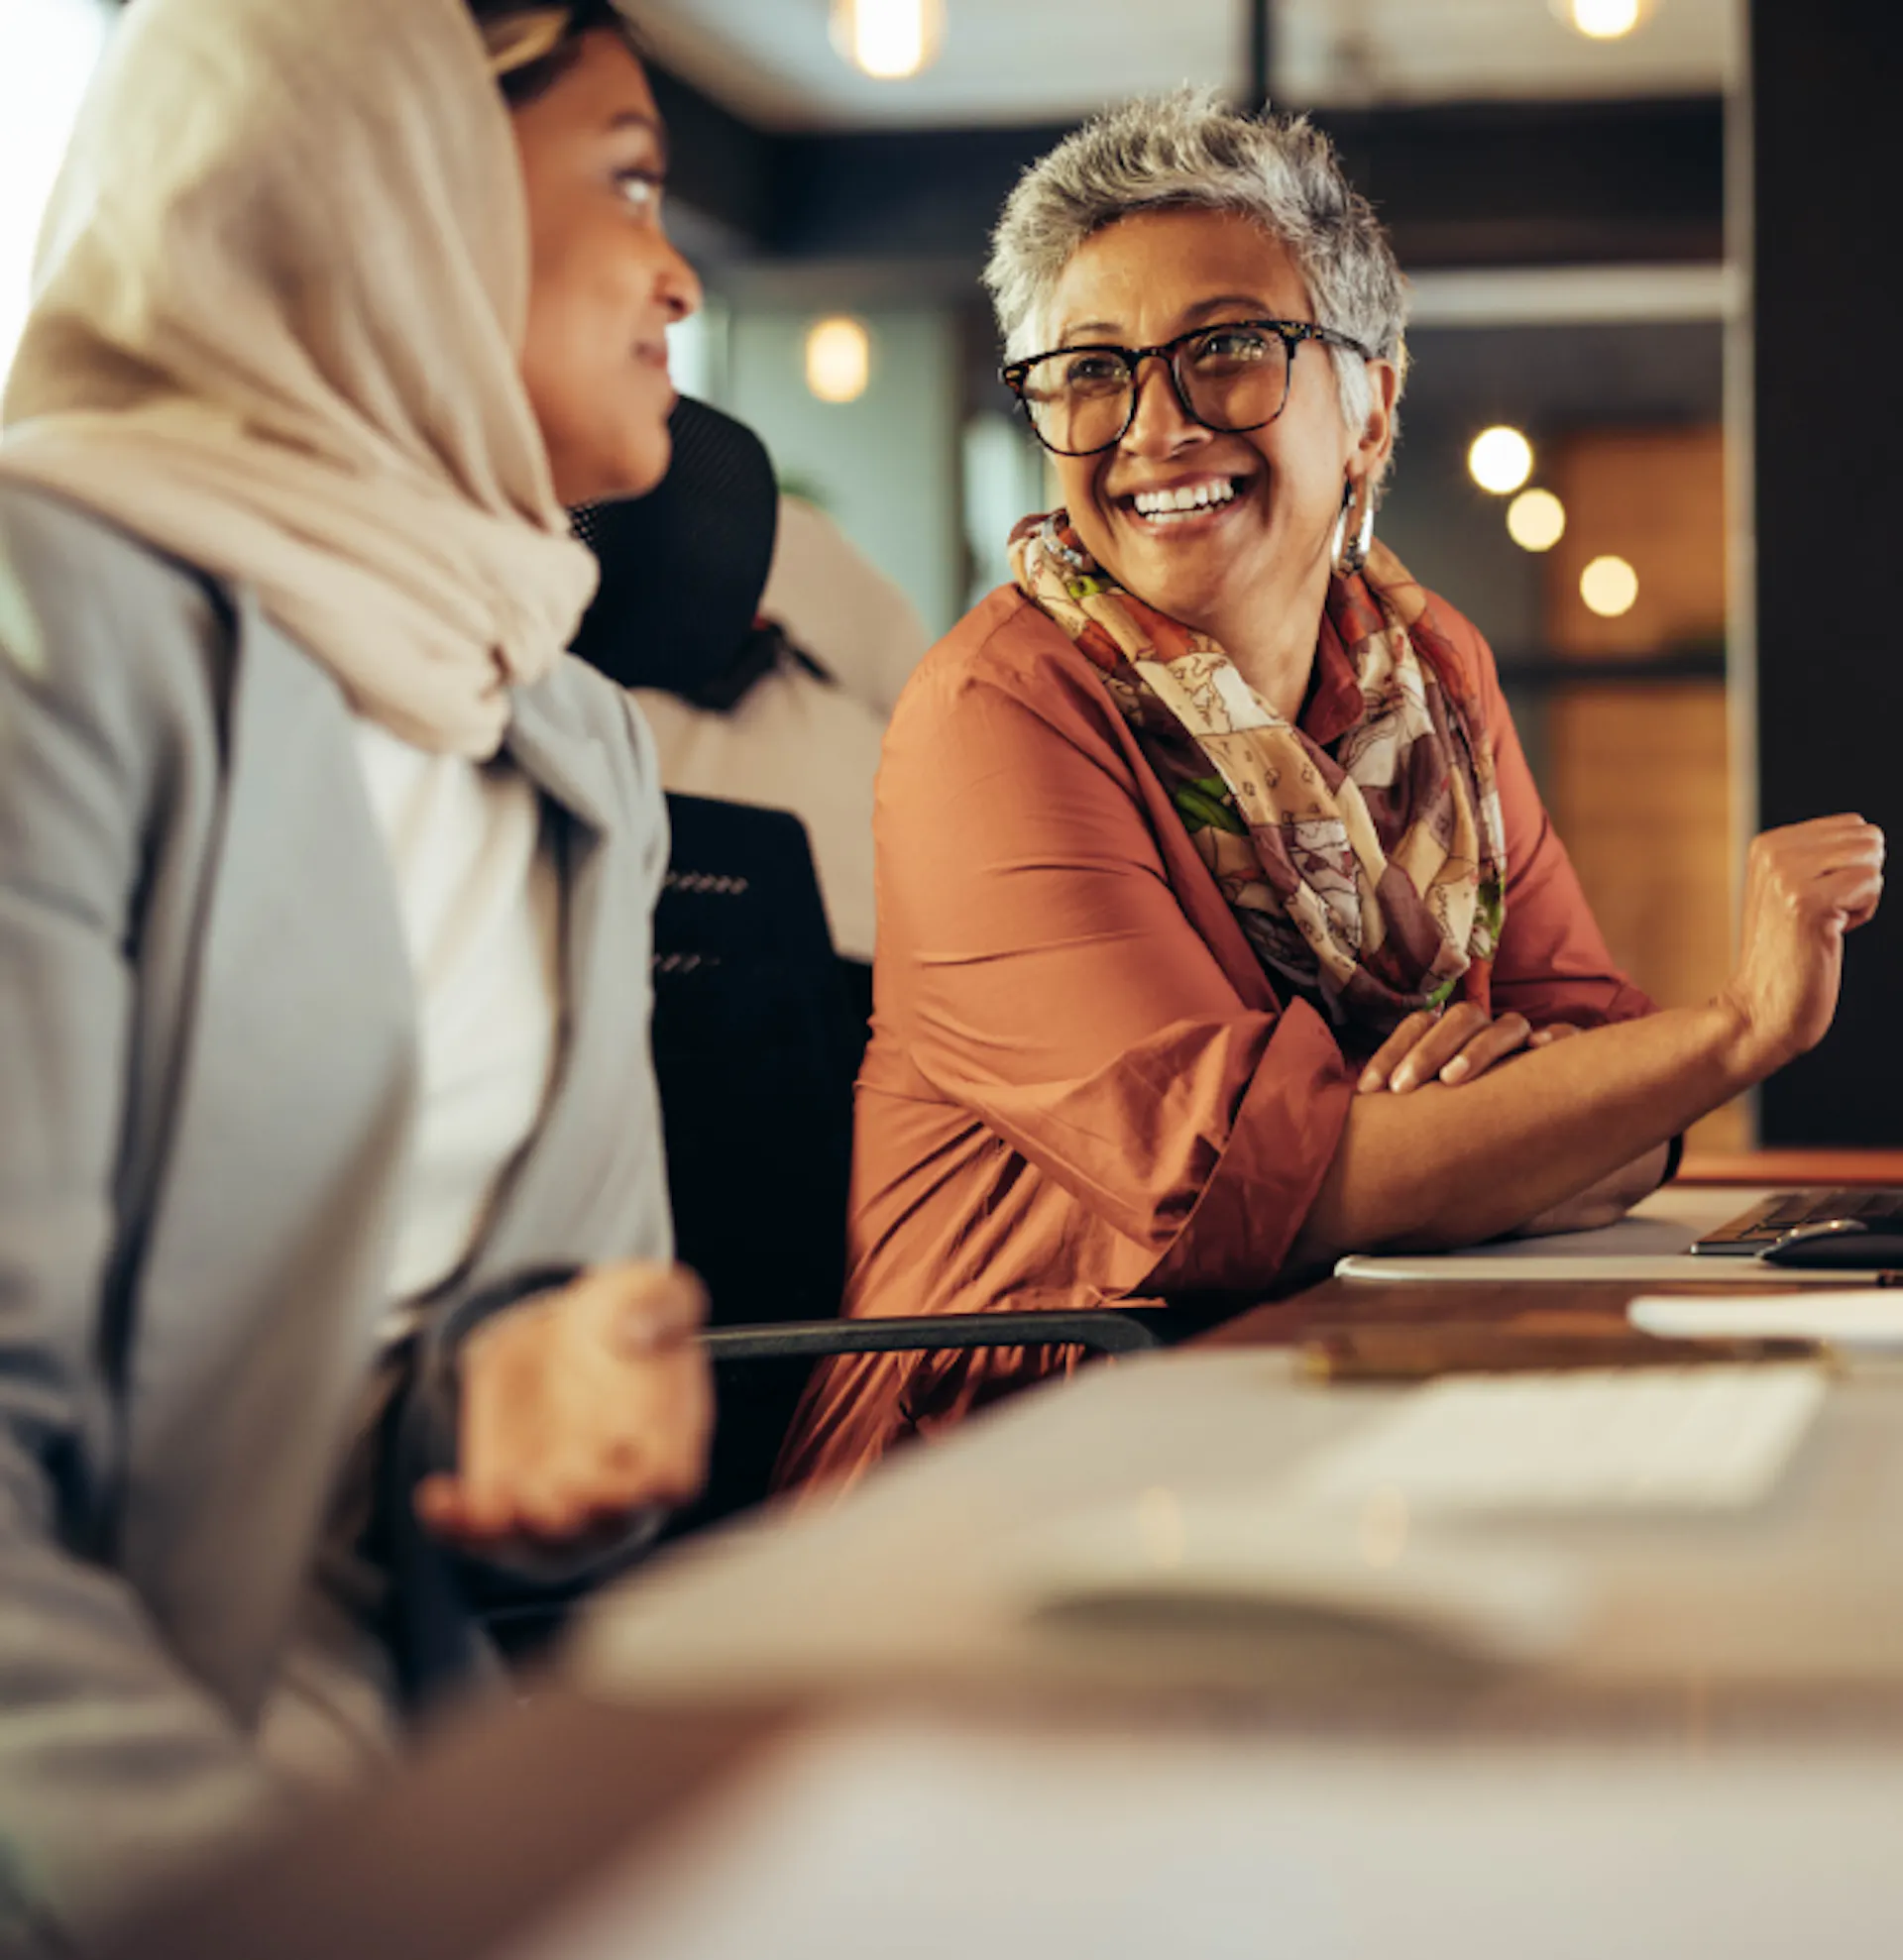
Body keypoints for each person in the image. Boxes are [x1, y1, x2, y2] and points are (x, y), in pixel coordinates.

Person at [775, 91, 1884, 1495]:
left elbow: (1607, 1081)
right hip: (1001, 1461)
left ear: (1373, 401)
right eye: (1090, 371)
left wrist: (1481, 1129)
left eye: (1226, 352)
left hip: (1310, 1403)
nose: (1154, 428)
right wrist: (1733, 1031)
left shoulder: (1431, 673)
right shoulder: (995, 713)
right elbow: (1249, 1192)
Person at [0, 0, 715, 1946]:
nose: (679, 271)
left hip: (412, 1764)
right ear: (380, 177)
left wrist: (544, 1417)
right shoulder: (50, 628)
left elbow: (515, 1376)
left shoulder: (568, 738)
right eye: (632, 176)